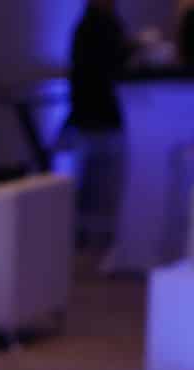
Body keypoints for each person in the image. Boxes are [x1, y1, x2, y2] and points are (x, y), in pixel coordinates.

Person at [66, 1, 135, 250]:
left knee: (94, 174)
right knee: (102, 173)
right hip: (101, 112)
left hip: (90, 112)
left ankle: (87, 232)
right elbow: (106, 66)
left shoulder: (90, 25)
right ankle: (94, 232)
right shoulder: (99, 26)